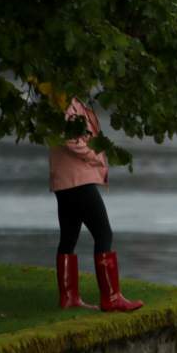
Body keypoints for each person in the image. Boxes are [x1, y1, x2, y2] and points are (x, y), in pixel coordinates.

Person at [42, 82, 143, 312]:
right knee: (103, 232)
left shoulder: (73, 101)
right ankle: (111, 297)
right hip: (78, 180)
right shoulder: (64, 102)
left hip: (67, 180)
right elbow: (68, 137)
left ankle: (69, 297)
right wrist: (94, 155)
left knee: (69, 237)